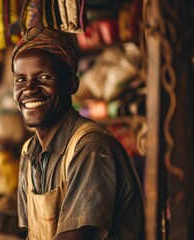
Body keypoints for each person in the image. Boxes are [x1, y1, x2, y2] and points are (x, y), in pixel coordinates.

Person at [11, 26, 144, 240]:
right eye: (20, 80)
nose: (29, 88)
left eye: (44, 77)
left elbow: (78, 236)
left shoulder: (90, 146)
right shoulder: (30, 151)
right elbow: (33, 234)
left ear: (72, 85)